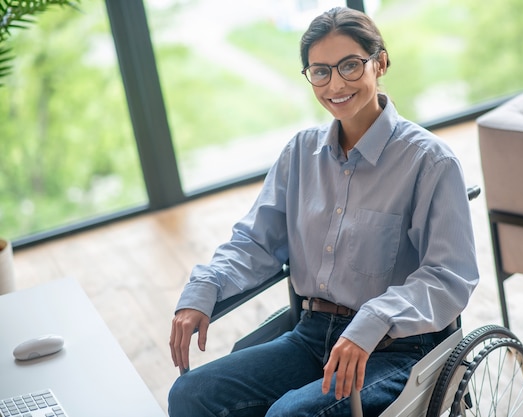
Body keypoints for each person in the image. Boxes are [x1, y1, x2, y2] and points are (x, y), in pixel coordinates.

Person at [168, 6, 479, 417]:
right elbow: (256, 241)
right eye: (320, 71)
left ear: (380, 63)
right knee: (191, 395)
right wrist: (204, 290)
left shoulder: (430, 162)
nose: (336, 84)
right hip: (312, 335)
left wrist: (373, 321)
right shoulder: (300, 153)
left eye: (350, 66)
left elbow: (448, 276)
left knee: (290, 415)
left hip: (396, 347)